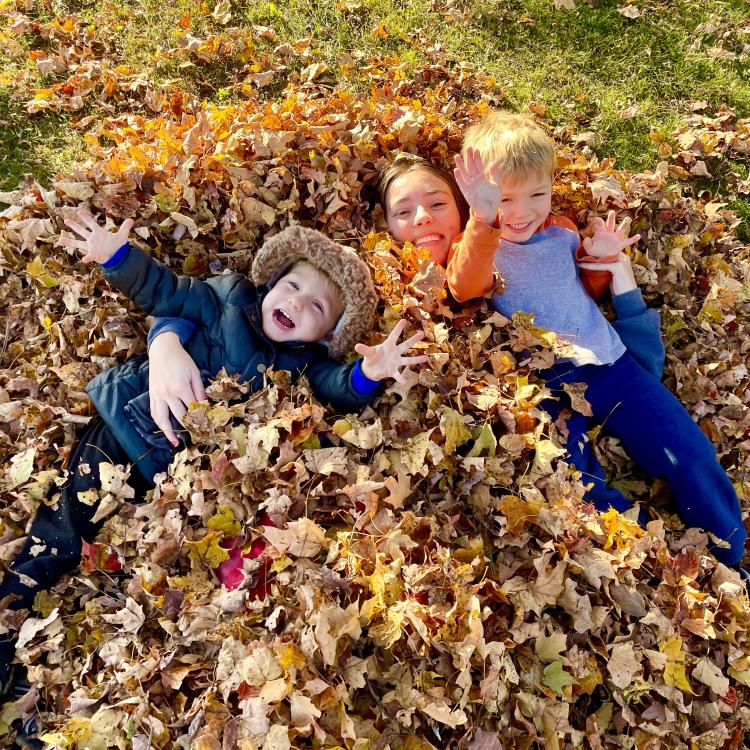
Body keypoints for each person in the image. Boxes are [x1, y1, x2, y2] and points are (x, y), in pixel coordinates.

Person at [0, 214, 427, 694]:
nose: (295, 303)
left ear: (327, 335)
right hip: (128, 429)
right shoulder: (226, 298)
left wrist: (369, 373)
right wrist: (117, 257)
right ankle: (11, 612)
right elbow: (165, 290)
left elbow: (341, 389)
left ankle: (56, 664)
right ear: (270, 280)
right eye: (291, 286)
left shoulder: (306, 366)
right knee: (66, 527)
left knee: (120, 568)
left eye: (316, 307)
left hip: (178, 482)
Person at [444, 110, 746, 568]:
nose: (522, 212)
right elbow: (465, 287)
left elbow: (581, 292)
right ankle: (650, 556)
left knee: (685, 446)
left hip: (609, 362)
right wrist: (483, 221)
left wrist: (598, 260)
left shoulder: (561, 230)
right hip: (546, 380)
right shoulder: (478, 244)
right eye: (504, 199)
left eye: (537, 194)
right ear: (480, 199)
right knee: (577, 476)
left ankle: (729, 549)